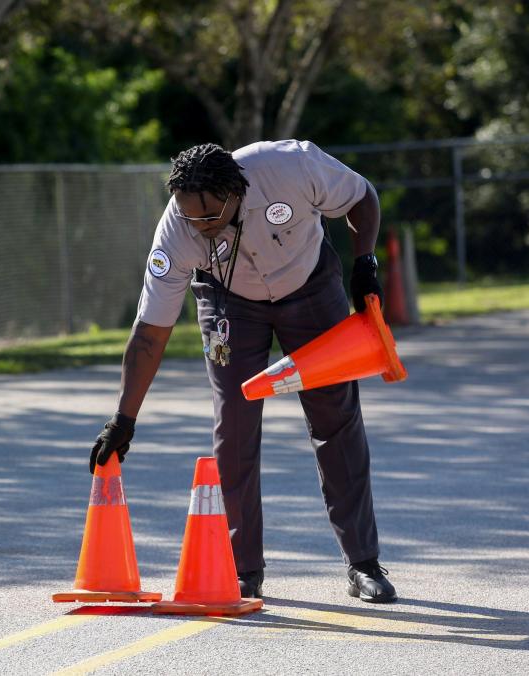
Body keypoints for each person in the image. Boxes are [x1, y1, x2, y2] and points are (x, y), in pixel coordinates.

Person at [89, 141, 397, 603]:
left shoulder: (290, 165)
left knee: (336, 417)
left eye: (211, 216)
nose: (202, 227)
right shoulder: (177, 231)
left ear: (238, 191)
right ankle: (241, 570)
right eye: (191, 217)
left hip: (310, 288)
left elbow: (361, 197)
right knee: (233, 425)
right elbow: (151, 332)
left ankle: (363, 564)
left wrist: (365, 262)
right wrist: (123, 419)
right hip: (229, 302)